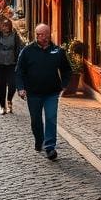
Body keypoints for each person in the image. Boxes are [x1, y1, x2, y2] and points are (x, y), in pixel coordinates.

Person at [15, 23, 73, 160]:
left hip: (52, 93)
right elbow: (19, 71)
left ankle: (50, 147)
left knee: (51, 118)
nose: (42, 37)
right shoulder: (27, 51)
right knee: (36, 120)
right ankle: (39, 139)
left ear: (49, 34)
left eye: (44, 34)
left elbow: (67, 69)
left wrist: (64, 85)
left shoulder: (58, 51)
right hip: (33, 93)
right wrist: (21, 88)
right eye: (39, 35)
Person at [0, 15, 24, 115]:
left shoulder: (14, 34)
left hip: (12, 63)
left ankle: (9, 100)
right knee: (1, 84)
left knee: (12, 84)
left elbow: (19, 47)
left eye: (7, 25)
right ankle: (2, 106)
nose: (5, 28)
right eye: (3, 25)